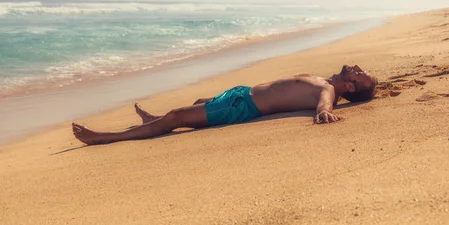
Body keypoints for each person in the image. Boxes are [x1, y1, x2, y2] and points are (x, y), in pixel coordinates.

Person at [72, 65, 378, 145]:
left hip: (241, 107)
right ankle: (153, 121)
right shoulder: (324, 79)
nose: (355, 67)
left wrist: (325, 113)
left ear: (350, 87)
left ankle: (105, 137)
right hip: (240, 94)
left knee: (178, 116)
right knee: (198, 103)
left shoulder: (327, 90)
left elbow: (325, 105)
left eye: (360, 73)